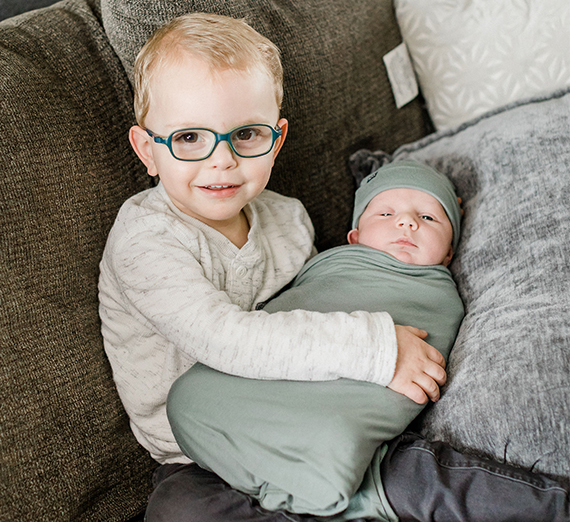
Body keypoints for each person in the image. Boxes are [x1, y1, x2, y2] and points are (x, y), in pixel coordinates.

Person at [96, 12, 570, 522]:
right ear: (148, 150)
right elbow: (222, 338)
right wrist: (379, 348)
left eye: (247, 135)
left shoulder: (288, 219)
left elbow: (326, 299)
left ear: (276, 139)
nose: (223, 160)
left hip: (315, 409)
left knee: (434, 482)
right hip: (201, 454)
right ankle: (351, 498)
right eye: (189, 138)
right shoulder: (146, 241)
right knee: (179, 513)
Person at [167, 159, 466, 519]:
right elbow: (296, 314)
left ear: (449, 252)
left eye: (429, 218)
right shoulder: (329, 266)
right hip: (272, 386)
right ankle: (297, 487)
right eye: (386, 213)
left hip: (335, 421)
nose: (407, 222)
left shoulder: (437, 296)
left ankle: (308, 482)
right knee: (188, 397)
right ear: (354, 238)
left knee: (334, 439)